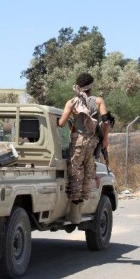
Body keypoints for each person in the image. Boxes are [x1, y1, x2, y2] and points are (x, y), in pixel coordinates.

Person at [58, 73, 112, 223]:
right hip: (93, 141)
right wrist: (105, 139)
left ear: (78, 86)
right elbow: (107, 121)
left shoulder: (72, 103)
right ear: (91, 86)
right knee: (89, 171)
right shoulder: (99, 101)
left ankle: (74, 213)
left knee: (75, 172)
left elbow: (61, 123)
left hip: (78, 141)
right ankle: (82, 209)